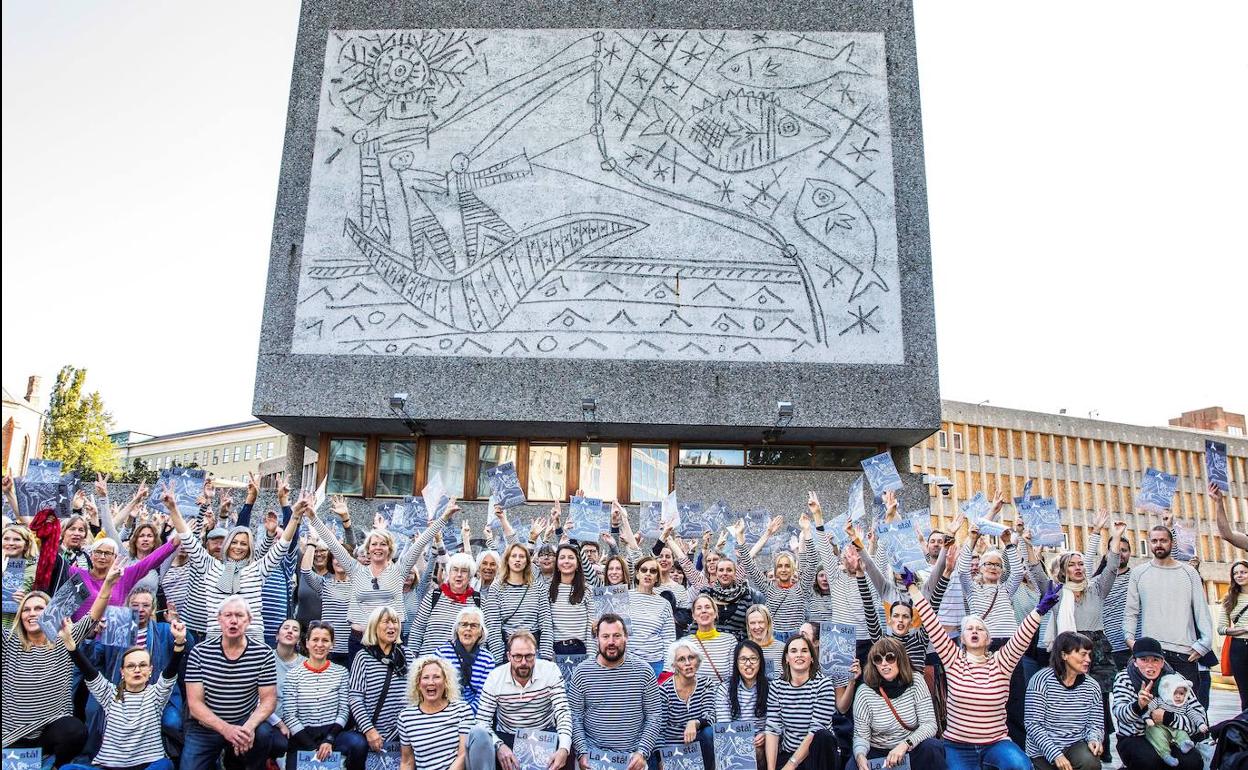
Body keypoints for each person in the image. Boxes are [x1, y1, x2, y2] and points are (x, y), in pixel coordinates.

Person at [909, 568, 1061, 770]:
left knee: (1021, 765)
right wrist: (912, 588)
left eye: (980, 629)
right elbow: (932, 623)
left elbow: (1020, 638)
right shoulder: (953, 659)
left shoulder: (1002, 662)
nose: (974, 631)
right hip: (958, 746)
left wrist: (1039, 611)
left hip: (996, 744)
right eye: (969, 629)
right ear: (962, 639)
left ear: (988, 639)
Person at [3, 563, 121, 767]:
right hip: (12, 734)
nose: (32, 613)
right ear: (20, 616)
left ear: (51, 612)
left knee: (75, 731)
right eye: (26, 610)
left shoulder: (65, 639)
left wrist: (108, 583)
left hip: (50, 731)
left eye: (39, 608)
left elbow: (93, 615)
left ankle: (55, 765)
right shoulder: (9, 640)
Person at [1033, 520, 1128, 761]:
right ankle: (1069, 744)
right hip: (1067, 648)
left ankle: (1100, 746)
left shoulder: (1097, 588)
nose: (1078, 568)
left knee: (1099, 698)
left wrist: (1115, 536)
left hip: (1096, 647)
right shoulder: (1055, 592)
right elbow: (1035, 572)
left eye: (1081, 564)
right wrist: (1026, 544)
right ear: (1064, 570)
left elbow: (1112, 566)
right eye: (1072, 564)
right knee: (1069, 697)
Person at [311, 494, 446, 660]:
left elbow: (421, 542)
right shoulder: (355, 570)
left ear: (390, 549)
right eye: (374, 544)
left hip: (389, 641)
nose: (378, 548)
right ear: (368, 548)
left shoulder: (399, 571)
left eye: (383, 544)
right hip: (359, 641)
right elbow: (332, 543)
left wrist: (445, 517)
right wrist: (312, 515)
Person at [165, 486, 301, 640]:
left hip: (252, 642)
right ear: (227, 544)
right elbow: (188, 539)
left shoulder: (257, 570)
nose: (238, 547)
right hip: (216, 641)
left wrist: (295, 516)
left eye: (243, 544)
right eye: (234, 542)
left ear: (249, 548)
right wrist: (173, 509)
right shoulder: (210, 566)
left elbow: (283, 545)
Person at [59, 614, 187, 770]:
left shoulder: (157, 694)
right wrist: (69, 643)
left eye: (142, 665)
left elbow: (171, 670)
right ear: (122, 672)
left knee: (165, 765)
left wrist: (179, 642)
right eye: (131, 666)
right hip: (110, 767)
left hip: (147, 766)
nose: (137, 670)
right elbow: (87, 669)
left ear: (150, 671)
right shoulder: (109, 693)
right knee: (68, 769)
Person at [182, 595, 277, 770]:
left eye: (239, 615)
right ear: (219, 619)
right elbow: (194, 704)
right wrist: (227, 730)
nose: (233, 621)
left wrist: (248, 728)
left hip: (243, 722)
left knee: (263, 734)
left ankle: (238, 762)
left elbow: (269, 700)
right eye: (228, 615)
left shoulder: (264, 653)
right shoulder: (199, 652)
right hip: (206, 725)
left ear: (249, 620)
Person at [1123, 524, 1214, 697]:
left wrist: (1204, 644)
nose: (1158, 544)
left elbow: (1201, 611)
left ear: (1172, 543)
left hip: (1184, 653)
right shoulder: (1139, 573)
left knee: (1185, 706)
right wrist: (1129, 638)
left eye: (1163, 540)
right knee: (1151, 705)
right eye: (1154, 541)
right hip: (1151, 653)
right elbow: (1131, 611)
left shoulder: (1189, 573)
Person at [568, 613, 663, 770]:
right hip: (592, 757)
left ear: (626, 637)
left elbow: (654, 715)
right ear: (597, 639)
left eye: (617, 636)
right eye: (605, 636)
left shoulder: (644, 671)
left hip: (632, 758)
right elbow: (574, 716)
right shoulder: (582, 672)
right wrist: (582, 752)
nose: (611, 642)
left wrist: (642, 752)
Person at [471, 630, 572, 770]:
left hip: (544, 733)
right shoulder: (495, 677)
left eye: (529, 656)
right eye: (517, 656)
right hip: (508, 736)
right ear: (508, 656)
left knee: (566, 748)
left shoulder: (550, 670)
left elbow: (563, 712)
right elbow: (482, 721)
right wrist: (499, 746)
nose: (523, 662)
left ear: (536, 654)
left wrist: (564, 748)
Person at [851, 636, 944, 770]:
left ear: (900, 659)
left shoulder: (916, 681)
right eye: (878, 659)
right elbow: (861, 736)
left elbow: (929, 725)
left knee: (932, 747)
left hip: (910, 747)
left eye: (890, 658)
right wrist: (860, 756)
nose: (884, 663)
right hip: (879, 751)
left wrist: (905, 744)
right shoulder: (864, 691)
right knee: (853, 764)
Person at [282, 620, 365, 770]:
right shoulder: (293, 675)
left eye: (325, 640)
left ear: (332, 644)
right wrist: (311, 747)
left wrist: (329, 739)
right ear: (307, 643)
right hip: (302, 736)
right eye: (315, 639)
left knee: (358, 743)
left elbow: (344, 710)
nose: (319, 645)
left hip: (332, 733)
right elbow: (289, 715)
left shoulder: (341, 672)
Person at [1111, 637, 1203, 770]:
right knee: (1149, 761)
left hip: (1173, 735)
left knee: (1192, 761)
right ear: (1135, 662)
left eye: (1155, 660)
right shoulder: (1124, 678)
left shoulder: (1176, 679)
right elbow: (1121, 715)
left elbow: (1199, 716)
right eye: (1144, 660)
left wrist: (1168, 717)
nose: (1150, 665)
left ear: (1162, 662)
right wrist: (1138, 705)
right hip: (1136, 737)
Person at [1023, 631, 1104, 770]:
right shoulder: (1040, 681)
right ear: (1064, 655)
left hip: (1075, 745)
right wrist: (1055, 754)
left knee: (1090, 762)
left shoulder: (1092, 686)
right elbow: (1033, 724)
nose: (1088, 660)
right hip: (1042, 750)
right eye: (1083, 654)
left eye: (1089, 655)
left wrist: (1094, 739)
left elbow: (1095, 723)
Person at [764, 635, 840, 770]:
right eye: (793, 651)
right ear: (787, 658)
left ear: (812, 658)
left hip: (817, 755)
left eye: (804, 651)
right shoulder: (776, 686)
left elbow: (814, 730)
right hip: (789, 752)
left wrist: (790, 766)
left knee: (823, 735)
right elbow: (772, 730)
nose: (799, 655)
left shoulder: (824, 685)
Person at [735, 511, 817, 636]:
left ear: (793, 569)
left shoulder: (801, 587)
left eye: (787, 566)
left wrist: (806, 530)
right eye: (780, 566)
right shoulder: (768, 588)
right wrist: (740, 536)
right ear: (775, 570)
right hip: (774, 638)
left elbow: (812, 562)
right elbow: (749, 565)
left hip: (796, 639)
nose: (783, 569)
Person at [349, 605, 413, 759]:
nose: (392, 626)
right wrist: (369, 730)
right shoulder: (363, 657)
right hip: (370, 734)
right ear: (374, 626)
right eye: (386, 622)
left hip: (402, 734)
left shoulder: (408, 656)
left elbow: (416, 696)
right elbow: (355, 698)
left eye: (395, 622)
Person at [398, 655, 473, 770]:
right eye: (425, 677)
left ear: (446, 681)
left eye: (437, 677)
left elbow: (463, 755)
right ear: (418, 683)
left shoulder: (462, 709)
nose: (431, 682)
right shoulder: (406, 717)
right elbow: (407, 761)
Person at [485, 542, 555, 661]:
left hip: (534, 649)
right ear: (507, 560)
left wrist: (545, 658)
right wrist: (499, 660)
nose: (517, 560)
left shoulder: (539, 588)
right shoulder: (496, 588)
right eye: (514, 556)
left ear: (527, 561)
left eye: (521, 556)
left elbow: (546, 625)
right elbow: (493, 626)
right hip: (507, 650)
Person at [659, 640, 716, 770]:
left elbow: (711, 716)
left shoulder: (706, 683)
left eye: (691, 657)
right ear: (674, 665)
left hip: (698, 746)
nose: (688, 663)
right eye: (681, 659)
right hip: (672, 749)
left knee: (709, 732)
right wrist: (661, 759)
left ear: (698, 661)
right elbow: (659, 730)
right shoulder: (664, 690)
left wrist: (695, 723)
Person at [714, 640, 771, 768]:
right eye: (743, 659)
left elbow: (776, 720)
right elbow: (725, 725)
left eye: (753, 659)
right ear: (736, 662)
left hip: (763, 741)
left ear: (760, 661)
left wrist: (766, 734)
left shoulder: (771, 687)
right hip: (735, 740)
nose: (748, 663)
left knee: (759, 750)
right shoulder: (725, 688)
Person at [436, 606, 495, 714]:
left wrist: (466, 715)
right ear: (457, 629)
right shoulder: (441, 654)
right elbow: (438, 690)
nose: (468, 628)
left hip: (475, 715)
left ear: (481, 632)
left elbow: (483, 696)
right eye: (464, 624)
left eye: (474, 625)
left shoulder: (487, 659)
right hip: (445, 713)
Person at [626, 555, 677, 675]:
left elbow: (669, 638)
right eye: (644, 570)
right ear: (637, 574)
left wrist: (667, 669)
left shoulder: (664, 604)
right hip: (626, 662)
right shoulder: (623, 597)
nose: (648, 573)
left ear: (657, 578)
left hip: (655, 665)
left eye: (653, 571)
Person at [1144, 674, 1208, 767]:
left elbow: (1195, 715)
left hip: (1175, 728)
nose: (1178, 696)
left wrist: (1200, 724)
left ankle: (1184, 744)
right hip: (1159, 727)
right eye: (1175, 693)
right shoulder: (1159, 701)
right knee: (1157, 737)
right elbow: (1147, 709)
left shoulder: (1185, 705)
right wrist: (1147, 718)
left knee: (1182, 733)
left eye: (1181, 694)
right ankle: (1166, 755)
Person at [680, 593, 738, 684]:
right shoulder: (684, 643)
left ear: (715, 613)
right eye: (699, 608)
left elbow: (733, 678)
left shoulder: (730, 641)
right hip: (694, 692)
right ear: (694, 616)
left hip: (722, 692)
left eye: (707, 607)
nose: (703, 611)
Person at [549, 541, 593, 655]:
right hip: (555, 650)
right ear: (557, 564)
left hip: (580, 649)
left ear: (578, 564)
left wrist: (591, 656)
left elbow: (591, 626)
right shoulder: (547, 590)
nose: (566, 561)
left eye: (571, 557)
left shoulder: (588, 590)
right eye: (562, 557)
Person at [1221, 560, 1248, 710]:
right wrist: (1244, 629)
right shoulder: (1230, 598)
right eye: (1235, 573)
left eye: (1243, 572)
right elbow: (1221, 628)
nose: (1239, 575)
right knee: (1245, 693)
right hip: (1238, 648)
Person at [1, 522, 38, 630]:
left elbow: (43, 598)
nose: (10, 543)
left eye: (17, 539)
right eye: (6, 539)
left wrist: (27, 599)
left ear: (26, 545)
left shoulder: (35, 568)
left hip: (17, 627)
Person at [746, 604, 785, 674]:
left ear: (768, 623)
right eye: (752, 623)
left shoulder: (782, 648)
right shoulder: (743, 649)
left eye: (761, 622)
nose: (757, 627)